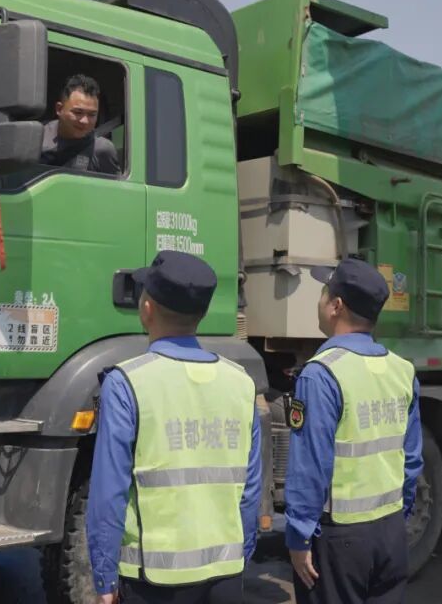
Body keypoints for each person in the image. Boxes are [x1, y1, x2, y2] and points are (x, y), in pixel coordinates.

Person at [86, 250, 262, 604]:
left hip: (153, 581)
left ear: (147, 308)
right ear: (203, 313)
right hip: (225, 576)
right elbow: (250, 488)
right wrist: (240, 555)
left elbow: (109, 493)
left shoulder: (127, 383)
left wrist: (104, 578)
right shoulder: (240, 382)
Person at [285, 258, 423, 604]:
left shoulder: (321, 374)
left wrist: (299, 537)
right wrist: (399, 516)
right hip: (390, 531)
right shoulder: (402, 370)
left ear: (336, 306)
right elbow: (411, 459)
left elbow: (310, 466)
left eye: (323, 293)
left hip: (340, 539)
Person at [0, 73, 120, 176]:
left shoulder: (102, 150)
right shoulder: (36, 135)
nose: (85, 121)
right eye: (78, 112)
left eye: (92, 115)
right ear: (59, 109)